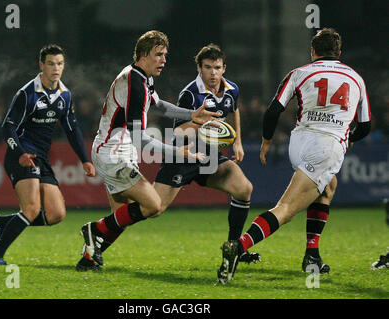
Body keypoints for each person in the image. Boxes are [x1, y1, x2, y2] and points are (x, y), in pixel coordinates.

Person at [217, 28, 372, 284]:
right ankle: (239, 246)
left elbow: (273, 110)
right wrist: (349, 139)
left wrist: (266, 141)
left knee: (327, 187)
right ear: (339, 53)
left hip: (298, 142)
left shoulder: (299, 73)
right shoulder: (355, 78)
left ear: (313, 52)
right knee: (286, 209)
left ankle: (312, 255)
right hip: (326, 146)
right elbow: (365, 126)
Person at [76, 30, 220, 271]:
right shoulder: (135, 84)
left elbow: (159, 106)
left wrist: (191, 114)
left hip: (115, 149)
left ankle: (88, 259)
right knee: (153, 205)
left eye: (165, 55)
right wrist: (179, 153)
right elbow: (142, 140)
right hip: (113, 154)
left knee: (121, 218)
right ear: (143, 55)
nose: (164, 60)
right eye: (159, 54)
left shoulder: (141, 77)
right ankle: (92, 230)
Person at [0, 44, 96, 265]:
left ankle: (1, 223)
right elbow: (7, 127)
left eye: (60, 63)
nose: (56, 68)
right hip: (22, 155)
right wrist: (19, 152)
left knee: (56, 214)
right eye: (51, 63)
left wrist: (85, 159)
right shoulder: (27, 94)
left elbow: (72, 130)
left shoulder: (65, 95)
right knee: (31, 208)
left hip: (42, 158)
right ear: (41, 65)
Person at [152, 43, 259, 264]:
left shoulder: (232, 89)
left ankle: (233, 247)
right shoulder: (190, 94)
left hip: (210, 157)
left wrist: (237, 141)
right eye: (208, 67)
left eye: (217, 67)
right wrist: (206, 126)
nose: (213, 72)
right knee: (153, 209)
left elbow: (234, 111)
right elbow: (179, 131)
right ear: (199, 69)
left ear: (224, 68)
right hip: (183, 156)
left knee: (243, 188)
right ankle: (101, 231)